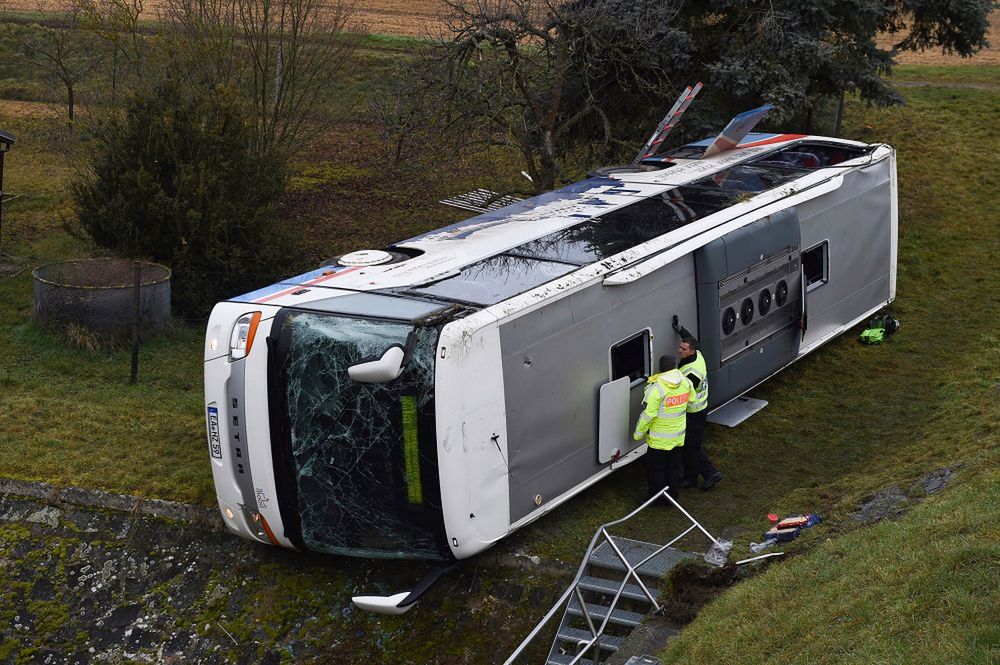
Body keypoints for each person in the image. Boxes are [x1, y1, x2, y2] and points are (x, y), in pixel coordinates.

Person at [633, 355, 696, 502]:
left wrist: (638, 434)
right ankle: (672, 496)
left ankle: (657, 498)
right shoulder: (686, 382)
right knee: (673, 468)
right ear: (674, 366)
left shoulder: (656, 388)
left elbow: (647, 416)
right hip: (677, 437)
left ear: (660, 369)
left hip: (659, 440)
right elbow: (692, 401)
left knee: (656, 470)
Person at [675, 333, 723, 491]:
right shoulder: (698, 355)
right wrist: (680, 329)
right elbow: (692, 339)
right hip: (700, 409)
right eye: (680, 346)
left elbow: (683, 394)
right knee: (691, 445)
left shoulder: (692, 374)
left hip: (694, 413)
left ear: (691, 351)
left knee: (691, 446)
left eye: (683, 348)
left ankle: (701, 476)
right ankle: (699, 475)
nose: (679, 350)